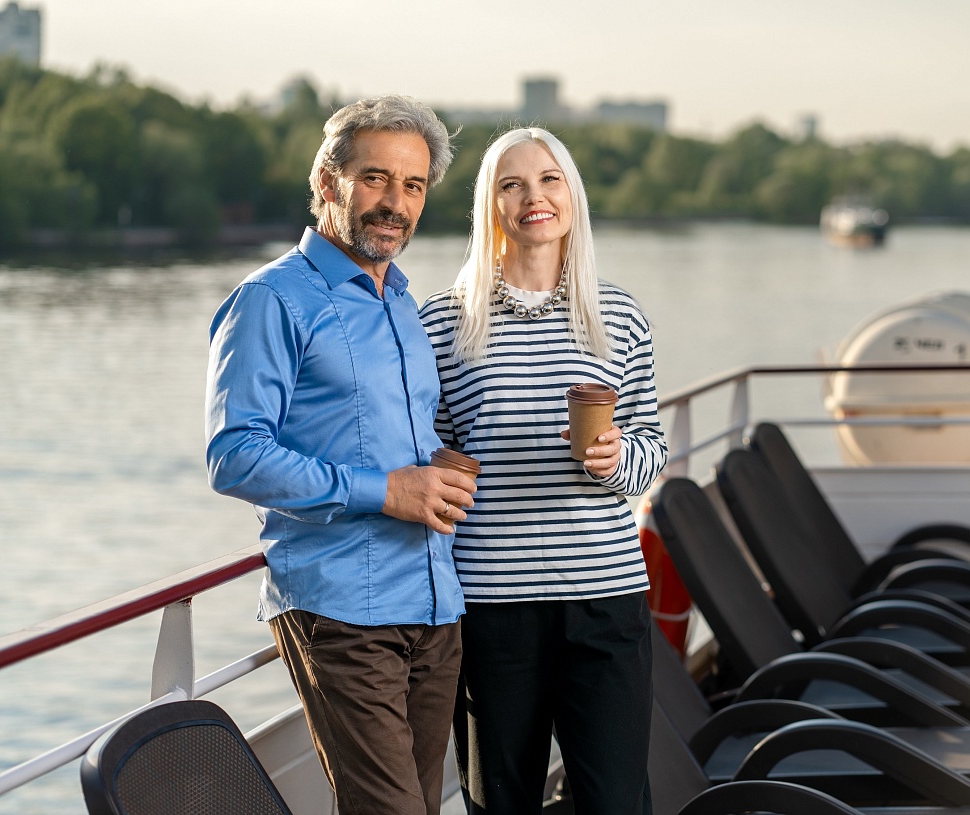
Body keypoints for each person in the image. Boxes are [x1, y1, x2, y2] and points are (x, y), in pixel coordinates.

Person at [205, 95, 475, 815]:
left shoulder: (402, 303)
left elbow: (387, 437)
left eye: (413, 185)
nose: (396, 203)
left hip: (436, 606)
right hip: (343, 612)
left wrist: (436, 470)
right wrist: (385, 490)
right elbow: (235, 454)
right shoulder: (271, 300)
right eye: (375, 178)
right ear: (329, 182)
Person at [419, 127, 668, 814]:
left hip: (604, 595)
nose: (535, 197)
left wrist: (617, 460)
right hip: (493, 603)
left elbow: (651, 445)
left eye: (549, 179)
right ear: (490, 204)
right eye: (513, 184)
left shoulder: (618, 315)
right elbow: (429, 456)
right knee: (500, 803)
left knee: (616, 802)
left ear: (572, 195)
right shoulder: (442, 323)